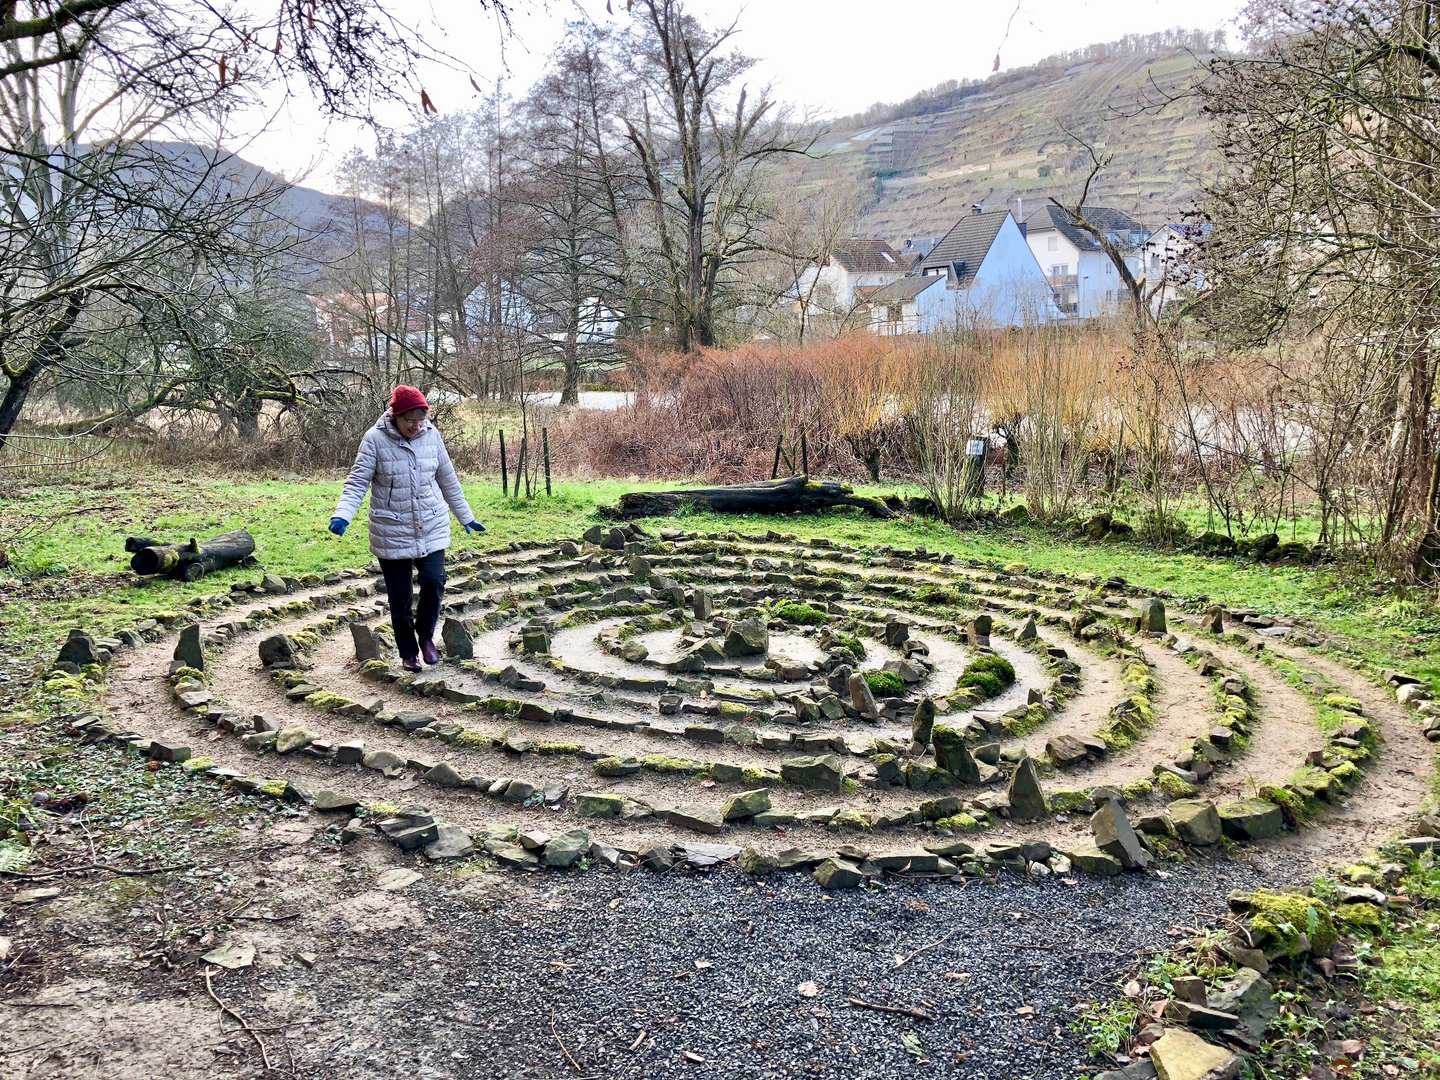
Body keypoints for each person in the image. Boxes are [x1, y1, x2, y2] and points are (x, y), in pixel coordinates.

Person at [328, 386, 485, 672]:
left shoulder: (431, 435)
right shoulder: (374, 439)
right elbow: (357, 481)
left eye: (420, 421)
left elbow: (447, 478)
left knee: (434, 581)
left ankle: (426, 637)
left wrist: (466, 516)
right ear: (395, 416)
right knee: (399, 598)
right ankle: (408, 651)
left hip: (431, 523)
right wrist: (343, 515)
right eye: (410, 421)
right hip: (392, 528)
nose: (416, 426)